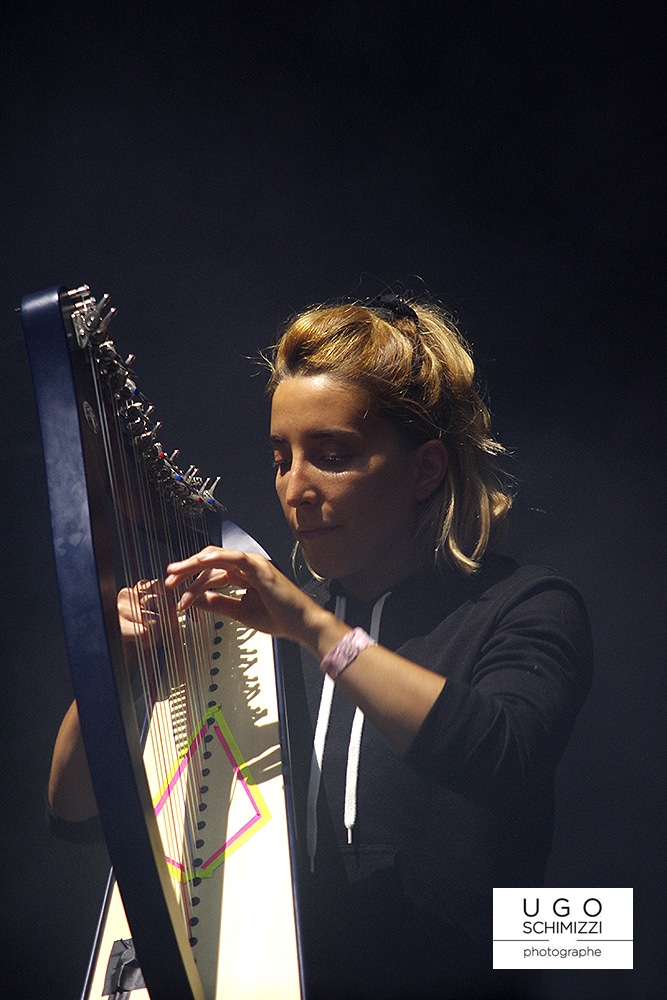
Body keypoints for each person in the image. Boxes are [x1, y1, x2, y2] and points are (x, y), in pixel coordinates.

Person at [49, 293, 593, 998]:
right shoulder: (251, 638)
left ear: (425, 469)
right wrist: (114, 666)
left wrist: (316, 631)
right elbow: (73, 814)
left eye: (331, 457)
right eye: (282, 459)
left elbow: (503, 753)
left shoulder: (527, 604)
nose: (295, 489)